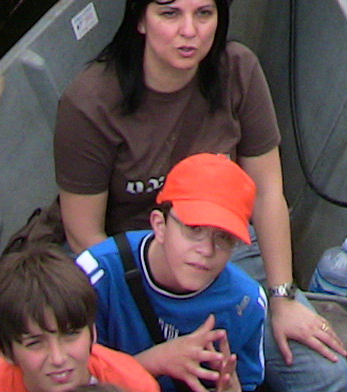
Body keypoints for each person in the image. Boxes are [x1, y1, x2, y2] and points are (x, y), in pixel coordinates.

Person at [55, 0, 347, 392]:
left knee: (323, 376)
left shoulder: (238, 71)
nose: (189, 32)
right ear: (140, 20)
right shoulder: (90, 101)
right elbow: (83, 235)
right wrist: (156, 318)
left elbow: (267, 191)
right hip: (131, 266)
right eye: (169, 13)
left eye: (204, 14)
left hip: (225, 251)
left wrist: (282, 296)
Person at [75, 154, 262, 392]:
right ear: (159, 225)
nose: (206, 249)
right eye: (194, 229)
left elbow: (248, 382)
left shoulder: (246, 302)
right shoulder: (97, 274)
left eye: (223, 237)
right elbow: (64, 377)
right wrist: (155, 362)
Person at [0, 249, 159, 392]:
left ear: (93, 332)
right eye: (34, 343)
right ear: (6, 351)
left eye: (71, 335)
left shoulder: (133, 385)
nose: (58, 358)